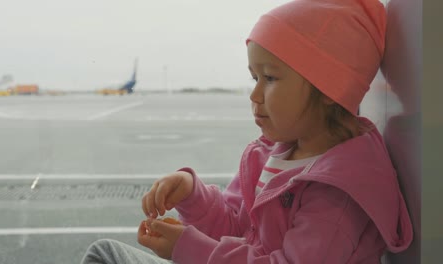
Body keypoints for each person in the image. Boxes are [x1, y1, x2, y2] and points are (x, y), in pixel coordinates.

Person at [81, 0, 413, 263]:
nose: (254, 96)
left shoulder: (339, 192)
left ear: (329, 88)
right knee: (104, 252)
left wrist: (190, 250)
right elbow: (237, 228)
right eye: (255, 78)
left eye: (269, 78)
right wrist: (192, 196)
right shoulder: (271, 153)